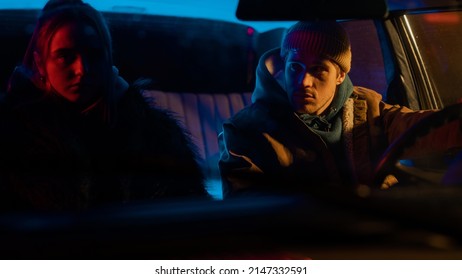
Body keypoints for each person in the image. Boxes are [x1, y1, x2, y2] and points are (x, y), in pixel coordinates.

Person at [0, 0, 208, 212]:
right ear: (41, 64)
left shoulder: (154, 136)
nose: (82, 69)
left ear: (108, 60)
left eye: (94, 54)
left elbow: (191, 215)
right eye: (65, 56)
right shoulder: (11, 139)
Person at [218, 21, 462, 197]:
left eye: (318, 70)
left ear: (340, 75)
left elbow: (423, 128)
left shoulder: (368, 109)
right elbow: (248, 209)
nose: (304, 81)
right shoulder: (246, 130)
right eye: (296, 68)